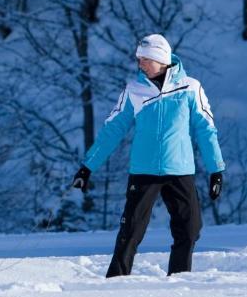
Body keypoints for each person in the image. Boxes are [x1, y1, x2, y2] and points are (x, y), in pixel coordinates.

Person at [70, 34, 225, 277]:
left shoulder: (190, 87)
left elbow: (205, 128)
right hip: (144, 171)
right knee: (131, 230)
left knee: (190, 228)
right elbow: (112, 129)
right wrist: (87, 167)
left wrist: (216, 169)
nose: (140, 64)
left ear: (160, 59)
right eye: (138, 59)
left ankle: (180, 277)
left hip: (180, 170)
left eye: (145, 59)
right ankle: (116, 280)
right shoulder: (134, 90)